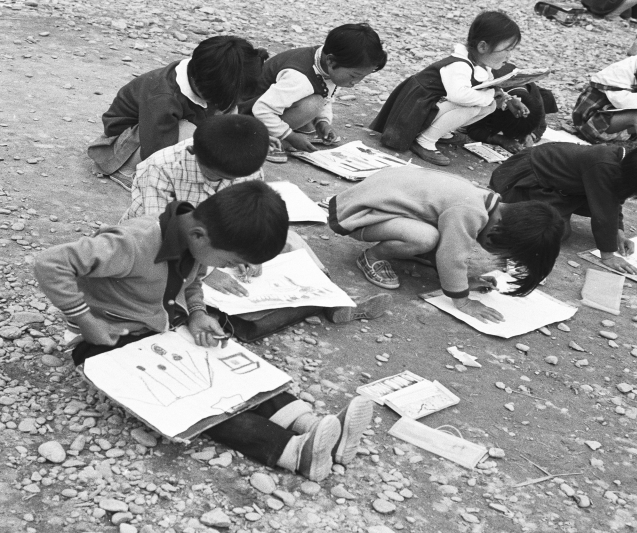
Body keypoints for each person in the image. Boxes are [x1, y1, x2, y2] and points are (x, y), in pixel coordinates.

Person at [33, 181, 374, 482]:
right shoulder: (133, 243)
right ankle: (295, 452)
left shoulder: (197, 238)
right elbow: (50, 263)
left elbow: (193, 279)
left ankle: (313, 427)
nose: (226, 268)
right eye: (228, 263)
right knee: (200, 403)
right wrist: (84, 319)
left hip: (161, 330)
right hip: (106, 341)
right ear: (199, 235)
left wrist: (197, 313)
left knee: (225, 373)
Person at [120, 114, 391, 325]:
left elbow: (253, 212)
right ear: (194, 152)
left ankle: (331, 295)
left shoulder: (245, 163)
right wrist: (209, 271)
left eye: (232, 178)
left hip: (224, 243)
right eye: (216, 175)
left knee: (288, 239)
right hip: (175, 248)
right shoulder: (160, 168)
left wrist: (253, 251)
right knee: (190, 290)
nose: (223, 182)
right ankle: (276, 315)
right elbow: (160, 233)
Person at [327, 167, 564, 324]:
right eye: (500, 249)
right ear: (499, 229)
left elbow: (451, 243)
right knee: (425, 238)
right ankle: (372, 257)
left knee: (439, 235)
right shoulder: (470, 212)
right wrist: (462, 299)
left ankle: (409, 250)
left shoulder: (484, 200)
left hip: (372, 201)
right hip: (356, 215)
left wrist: (464, 280)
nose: (493, 252)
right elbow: (452, 256)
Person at [88, 36, 268, 190]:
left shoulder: (206, 74)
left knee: (220, 126)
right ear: (202, 88)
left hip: (160, 129)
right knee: (191, 135)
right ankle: (126, 170)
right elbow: (156, 151)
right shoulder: (163, 97)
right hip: (126, 141)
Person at [490, 143, 637, 275]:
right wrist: (608, 256)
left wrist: (618, 232)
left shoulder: (624, 164)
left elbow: (613, 199)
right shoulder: (604, 164)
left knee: (584, 211)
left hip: (559, 187)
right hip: (524, 179)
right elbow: (604, 211)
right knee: (552, 232)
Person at [370, 11, 528, 166]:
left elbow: (485, 88)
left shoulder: (481, 65)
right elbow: (458, 96)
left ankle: (440, 131)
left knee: (490, 105)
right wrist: (489, 96)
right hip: (415, 110)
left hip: (431, 106)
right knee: (473, 107)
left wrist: (504, 98)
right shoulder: (459, 65)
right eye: (507, 50)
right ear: (482, 47)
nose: (509, 56)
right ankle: (425, 141)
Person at [240, 23, 386, 163]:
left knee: (313, 112)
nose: (356, 82)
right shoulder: (299, 77)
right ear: (330, 60)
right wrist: (289, 136)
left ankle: (282, 129)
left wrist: (322, 122)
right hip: (247, 117)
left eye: (363, 77)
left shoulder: (328, 63)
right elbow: (262, 109)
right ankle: (263, 141)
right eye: (354, 75)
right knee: (312, 105)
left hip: (274, 104)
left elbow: (326, 95)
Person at [465, 63, 558, 153]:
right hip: (486, 84)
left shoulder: (536, 101)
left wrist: (531, 135)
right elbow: (473, 129)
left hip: (522, 89)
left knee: (547, 96)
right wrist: (502, 140)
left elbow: (541, 125)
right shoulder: (489, 95)